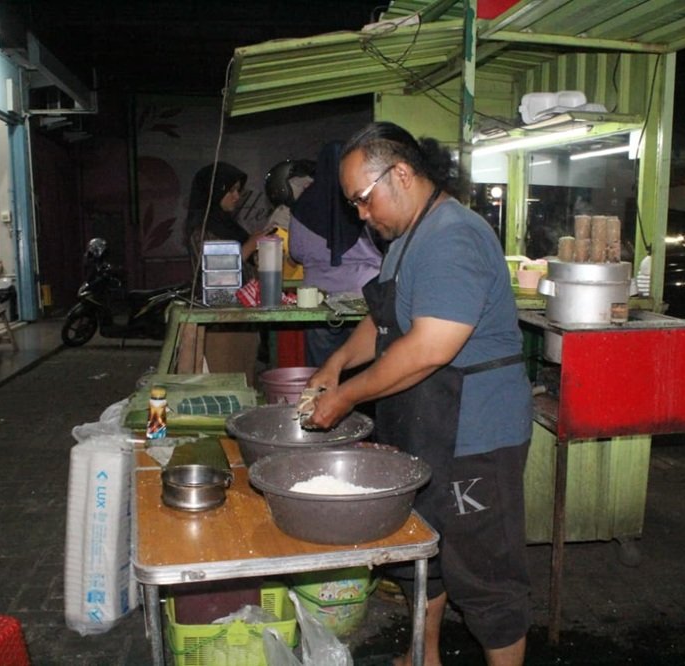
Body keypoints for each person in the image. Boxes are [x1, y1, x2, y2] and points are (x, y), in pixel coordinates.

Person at [305, 122, 533, 666]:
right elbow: (385, 320)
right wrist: (336, 363)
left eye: (364, 199)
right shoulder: (409, 237)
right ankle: (420, 656)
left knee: (483, 575)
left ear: (401, 174)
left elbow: (430, 346)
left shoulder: (455, 237)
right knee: (422, 551)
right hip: (429, 425)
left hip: (476, 432)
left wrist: (347, 397)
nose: (361, 214)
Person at [288, 141, 382, 366]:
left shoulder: (303, 204)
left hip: (317, 300)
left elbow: (296, 254)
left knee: (324, 370)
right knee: (363, 370)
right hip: (364, 297)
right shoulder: (361, 201)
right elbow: (382, 247)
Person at [184, 161, 273, 386]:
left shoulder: (228, 225)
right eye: (230, 190)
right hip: (219, 321)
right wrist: (250, 246)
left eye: (238, 190)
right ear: (213, 191)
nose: (236, 196)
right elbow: (215, 272)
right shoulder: (202, 227)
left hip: (242, 316)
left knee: (245, 381)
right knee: (225, 384)